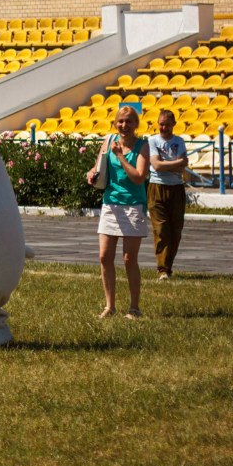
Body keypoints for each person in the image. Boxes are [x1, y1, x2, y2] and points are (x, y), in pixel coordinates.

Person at [87, 105, 150, 319]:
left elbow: (139, 177)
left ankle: (134, 307)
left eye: (129, 121)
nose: (124, 125)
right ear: (115, 123)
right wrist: (91, 174)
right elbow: (98, 167)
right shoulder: (108, 141)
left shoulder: (143, 146)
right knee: (104, 256)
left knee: (128, 259)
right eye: (121, 121)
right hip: (110, 203)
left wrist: (121, 157)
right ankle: (109, 306)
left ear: (136, 124)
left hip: (133, 205)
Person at [147, 109, 188, 281]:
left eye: (167, 124)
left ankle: (168, 267)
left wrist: (169, 164)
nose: (163, 127)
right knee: (161, 228)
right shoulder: (152, 140)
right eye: (161, 124)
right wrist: (176, 163)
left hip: (177, 188)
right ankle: (162, 269)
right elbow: (156, 165)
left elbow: (183, 165)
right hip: (157, 186)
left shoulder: (179, 141)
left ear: (173, 125)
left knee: (175, 230)